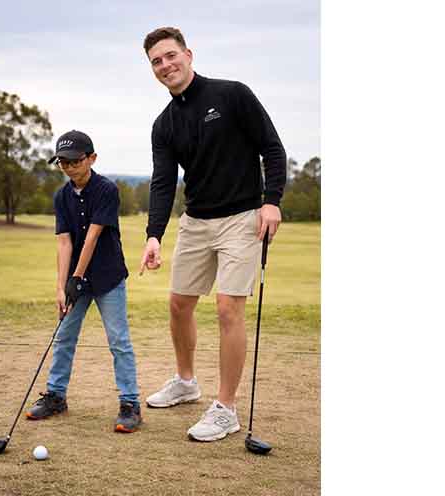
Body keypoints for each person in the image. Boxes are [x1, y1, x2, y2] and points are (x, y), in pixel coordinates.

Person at [139, 27, 286, 442]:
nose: (165, 65)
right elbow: (163, 182)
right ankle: (186, 382)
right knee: (178, 304)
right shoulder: (164, 125)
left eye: (170, 55)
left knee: (227, 309)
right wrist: (154, 235)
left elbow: (272, 148)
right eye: (156, 61)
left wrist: (272, 201)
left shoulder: (232, 94)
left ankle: (225, 408)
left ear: (188, 54)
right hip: (196, 221)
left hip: (242, 218)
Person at [25, 129, 142, 433]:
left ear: (92, 159)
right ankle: (56, 396)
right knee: (64, 337)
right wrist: (61, 287)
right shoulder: (61, 196)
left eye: (74, 161)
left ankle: (130, 404)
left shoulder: (106, 190)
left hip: (107, 276)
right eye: (62, 162)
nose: (68, 167)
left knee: (119, 341)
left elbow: (92, 237)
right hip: (76, 279)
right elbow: (64, 243)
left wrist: (76, 278)